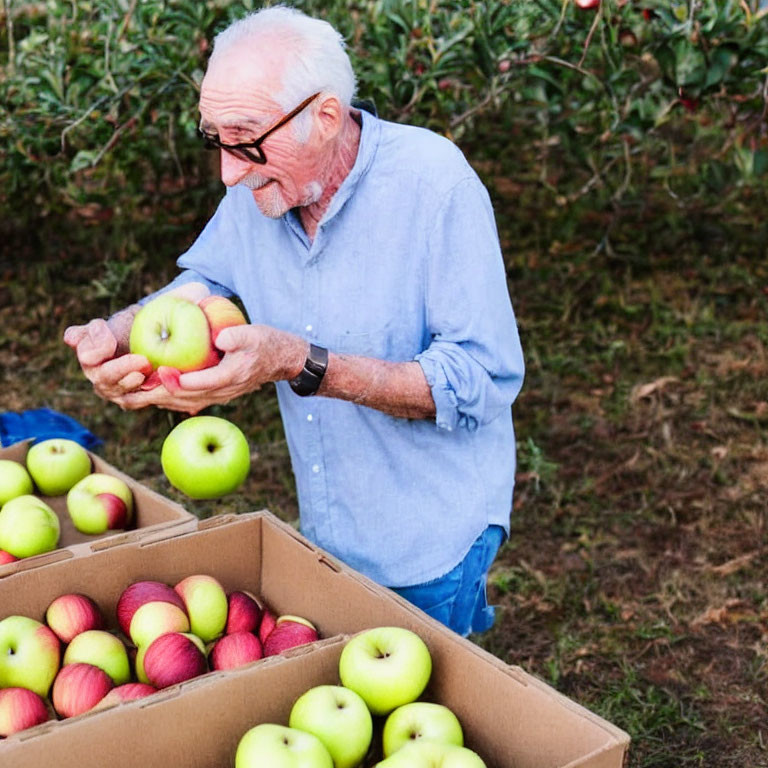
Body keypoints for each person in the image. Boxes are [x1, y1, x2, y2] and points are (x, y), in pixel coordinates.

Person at [64, 6, 525, 637]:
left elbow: (480, 378)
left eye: (246, 138)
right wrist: (119, 331)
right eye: (214, 138)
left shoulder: (435, 187)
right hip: (330, 523)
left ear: (325, 118)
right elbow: (208, 281)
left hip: (427, 531)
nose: (228, 169)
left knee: (428, 688)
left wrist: (298, 362)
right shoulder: (257, 182)